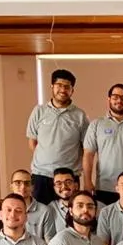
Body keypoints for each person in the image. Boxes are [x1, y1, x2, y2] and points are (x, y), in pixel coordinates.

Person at [28, 69, 89, 204]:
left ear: (72, 90)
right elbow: (32, 142)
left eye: (67, 87)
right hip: (41, 176)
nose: (63, 90)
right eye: (59, 85)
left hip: (69, 177)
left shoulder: (80, 115)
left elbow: (85, 148)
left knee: (69, 213)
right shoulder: (39, 111)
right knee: (40, 211)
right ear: (52, 86)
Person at [81, 83, 123, 206]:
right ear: (109, 99)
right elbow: (88, 155)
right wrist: (87, 181)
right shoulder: (96, 124)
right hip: (104, 187)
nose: (119, 100)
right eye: (115, 97)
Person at [9, 169, 58, 240]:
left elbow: (49, 241)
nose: (23, 187)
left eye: (27, 183)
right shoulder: (5, 210)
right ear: (11, 186)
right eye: (18, 183)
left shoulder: (45, 211)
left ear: (32, 187)